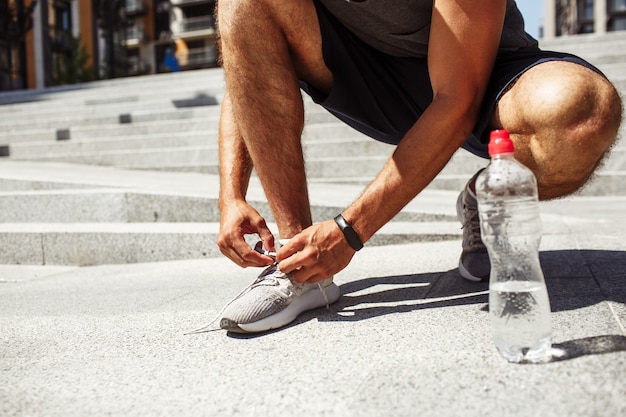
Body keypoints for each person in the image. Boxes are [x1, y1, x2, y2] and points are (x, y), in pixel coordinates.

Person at [213, 0, 622, 333]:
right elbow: (248, 55)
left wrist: (348, 231)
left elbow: (456, 99)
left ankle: (488, 195)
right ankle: (299, 265)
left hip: (483, 71)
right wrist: (231, 194)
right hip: (367, 78)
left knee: (583, 115)